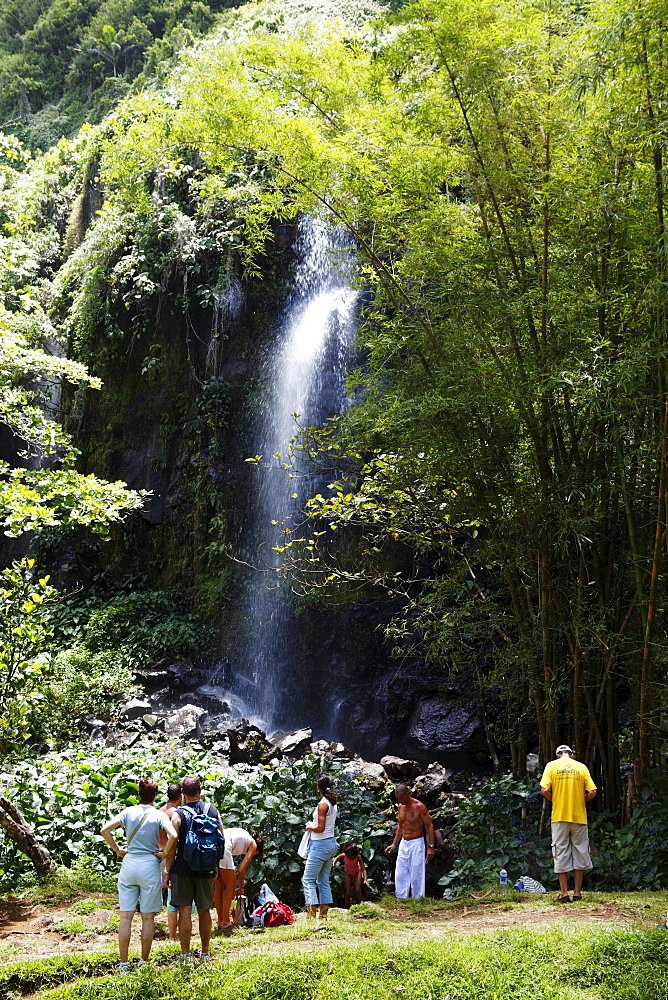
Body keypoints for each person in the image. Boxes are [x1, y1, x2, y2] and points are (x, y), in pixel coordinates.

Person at [100, 778, 177, 975]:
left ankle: (124, 964)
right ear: (156, 796)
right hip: (149, 865)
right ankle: (143, 961)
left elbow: (104, 830)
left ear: (139, 794)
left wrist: (117, 849)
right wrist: (164, 853)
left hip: (129, 863)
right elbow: (173, 836)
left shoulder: (128, 812)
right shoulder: (158, 815)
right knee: (147, 918)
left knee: (125, 916)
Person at [165, 774, 224, 965]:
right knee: (205, 910)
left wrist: (168, 870)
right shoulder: (212, 811)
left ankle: (185, 955)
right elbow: (221, 839)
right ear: (200, 790)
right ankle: (205, 953)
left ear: (182, 792)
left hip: (183, 868)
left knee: (184, 910)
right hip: (206, 868)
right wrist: (215, 866)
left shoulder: (178, 814)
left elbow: (172, 845)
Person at [540, 744, 597, 902]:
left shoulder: (551, 766)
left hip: (559, 817)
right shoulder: (581, 767)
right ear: (571, 755)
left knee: (561, 852)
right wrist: (580, 800)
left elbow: (544, 790)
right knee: (580, 851)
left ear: (558, 755)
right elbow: (592, 792)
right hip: (579, 817)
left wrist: (556, 800)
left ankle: (564, 893)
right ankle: (577, 893)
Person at [384, 784, 435, 899]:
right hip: (404, 842)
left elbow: (430, 826)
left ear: (408, 794)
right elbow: (401, 826)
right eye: (398, 798)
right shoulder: (401, 807)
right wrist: (394, 844)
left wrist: (430, 847)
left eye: (401, 798)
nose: (400, 800)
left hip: (416, 842)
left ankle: (418, 899)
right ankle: (401, 898)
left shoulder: (419, 806)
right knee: (400, 873)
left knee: (417, 873)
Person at [302, 773, 338, 925]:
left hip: (321, 845)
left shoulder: (323, 804)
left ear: (319, 787)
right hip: (330, 843)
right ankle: (323, 918)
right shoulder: (332, 802)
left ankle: (311, 919)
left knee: (308, 879)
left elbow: (320, 828)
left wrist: (310, 826)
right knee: (323, 881)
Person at [214, 828, 264, 932]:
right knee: (230, 887)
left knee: (219, 885)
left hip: (214, 843)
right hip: (224, 845)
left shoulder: (243, 834)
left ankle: (220, 920)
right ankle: (225, 922)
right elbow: (241, 870)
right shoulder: (253, 845)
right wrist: (241, 887)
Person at [159, 783, 184, 941]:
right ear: (180, 795)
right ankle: (174, 934)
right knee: (174, 898)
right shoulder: (177, 813)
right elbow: (174, 839)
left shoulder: (159, 811)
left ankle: (148, 921)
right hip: (170, 856)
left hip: (158, 854)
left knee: (158, 891)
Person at [334, 843, 369, 907]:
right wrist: (333, 863)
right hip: (347, 872)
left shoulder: (358, 857)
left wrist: (365, 879)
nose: (351, 859)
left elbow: (363, 869)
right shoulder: (343, 856)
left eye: (352, 858)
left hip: (357, 871)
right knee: (347, 892)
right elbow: (337, 858)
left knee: (358, 890)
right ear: (347, 856)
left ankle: (361, 905)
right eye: (350, 858)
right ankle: (347, 907)